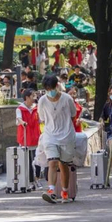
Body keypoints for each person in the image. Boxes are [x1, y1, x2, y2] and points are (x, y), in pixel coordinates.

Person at [39, 75, 79, 203]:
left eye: (51, 88)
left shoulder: (67, 99)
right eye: (47, 89)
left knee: (63, 165)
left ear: (57, 86)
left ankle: (65, 191)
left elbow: (73, 115)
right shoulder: (42, 101)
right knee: (52, 162)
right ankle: (51, 191)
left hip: (66, 136)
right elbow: (42, 118)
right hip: (50, 135)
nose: (50, 91)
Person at [16, 89, 41, 179]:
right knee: (28, 159)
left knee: (38, 157)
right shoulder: (20, 109)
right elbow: (19, 119)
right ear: (27, 97)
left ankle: (37, 176)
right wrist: (22, 122)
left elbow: (40, 119)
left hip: (36, 136)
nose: (34, 98)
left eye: (35, 96)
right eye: (32, 96)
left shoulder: (36, 108)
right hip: (26, 137)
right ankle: (30, 178)